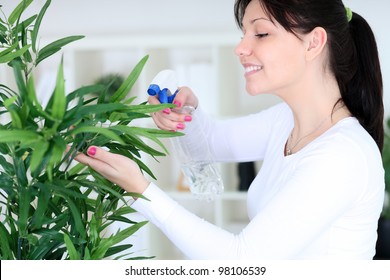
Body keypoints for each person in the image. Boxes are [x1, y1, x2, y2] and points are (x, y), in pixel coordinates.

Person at [74, 0, 385, 259]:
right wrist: (188, 113)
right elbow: (210, 144)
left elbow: (241, 262)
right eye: (244, 34)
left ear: (314, 42)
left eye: (260, 33)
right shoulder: (287, 121)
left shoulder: (343, 155)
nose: (240, 48)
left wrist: (139, 190)